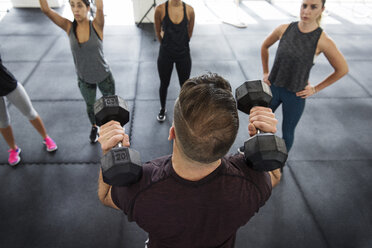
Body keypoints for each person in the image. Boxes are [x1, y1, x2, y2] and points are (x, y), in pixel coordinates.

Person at [97, 73, 282, 247]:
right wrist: (266, 136)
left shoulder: (140, 189)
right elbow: (273, 177)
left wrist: (109, 152)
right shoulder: (253, 185)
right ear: (230, 142)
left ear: (172, 132)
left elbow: (105, 196)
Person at [257, 0, 348, 152]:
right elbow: (264, 46)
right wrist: (266, 72)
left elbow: (342, 69)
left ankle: (279, 165)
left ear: (322, 9)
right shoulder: (284, 29)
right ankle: (256, 156)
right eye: (304, 5)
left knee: (287, 133)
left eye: (313, 7)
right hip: (273, 87)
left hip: (295, 94)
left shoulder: (322, 40)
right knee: (260, 124)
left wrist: (315, 89)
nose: (306, 11)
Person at [39, 0, 115, 143]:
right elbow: (46, 10)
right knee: (90, 107)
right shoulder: (68, 27)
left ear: (87, 7)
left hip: (104, 76)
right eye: (72, 5)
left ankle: (112, 129)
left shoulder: (97, 25)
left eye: (79, 5)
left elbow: (100, 6)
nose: (75, 9)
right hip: (84, 79)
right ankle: (94, 127)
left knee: (110, 106)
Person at [0, 54, 57, 166]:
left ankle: (46, 138)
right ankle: (13, 149)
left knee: (30, 113)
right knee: (3, 122)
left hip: (9, 84)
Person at [154, 0, 195, 122]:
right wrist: (168, 45)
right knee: (164, 83)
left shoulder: (190, 10)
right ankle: (162, 108)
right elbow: (158, 34)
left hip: (183, 54)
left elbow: (189, 34)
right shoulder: (160, 9)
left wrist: (179, 45)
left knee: (185, 85)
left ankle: (183, 110)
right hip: (166, 54)